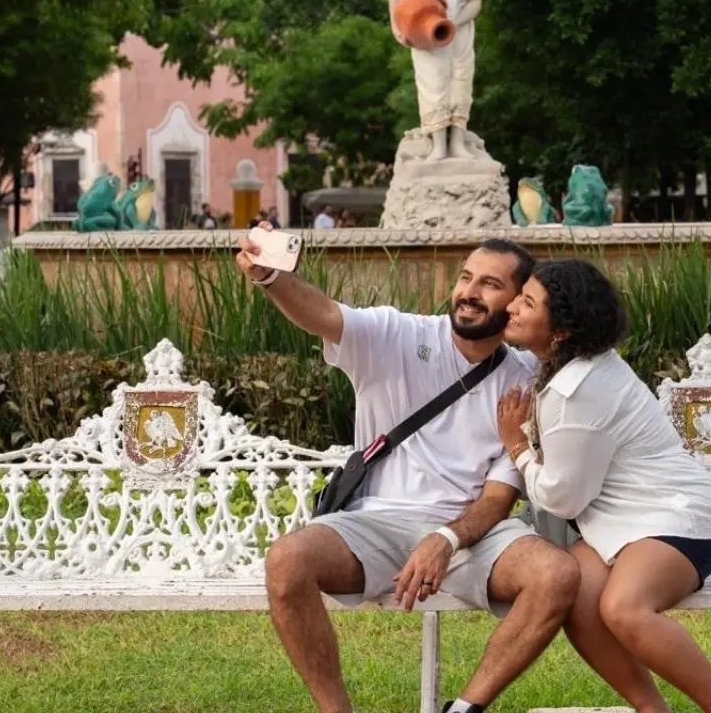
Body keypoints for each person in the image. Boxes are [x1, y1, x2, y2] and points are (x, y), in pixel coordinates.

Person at [236, 224, 580, 713]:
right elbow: (324, 316)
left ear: (517, 301)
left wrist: (444, 539)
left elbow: (496, 499)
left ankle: (463, 709)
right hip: (372, 523)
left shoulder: (525, 380)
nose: (469, 293)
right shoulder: (399, 334)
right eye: (466, 277)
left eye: (490, 284)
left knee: (557, 574)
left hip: (468, 536)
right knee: (287, 561)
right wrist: (272, 279)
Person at [495, 259, 711, 713]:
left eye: (527, 302)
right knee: (580, 598)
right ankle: (651, 708)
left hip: (679, 521)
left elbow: (562, 497)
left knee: (623, 607)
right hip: (620, 527)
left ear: (562, 330)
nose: (511, 306)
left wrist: (518, 448)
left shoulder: (579, 391)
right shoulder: (573, 367)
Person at [388, 0, 484, 161]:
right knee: (433, 82)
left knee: (461, 80)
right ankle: (438, 145)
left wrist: (454, 22)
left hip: (459, 31)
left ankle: (458, 143)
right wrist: (397, 26)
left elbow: (475, 0)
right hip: (424, 33)